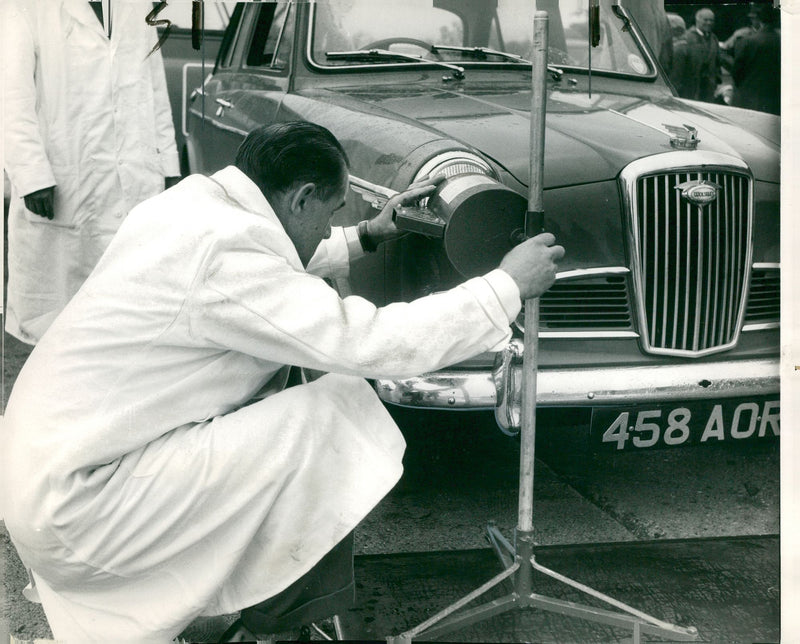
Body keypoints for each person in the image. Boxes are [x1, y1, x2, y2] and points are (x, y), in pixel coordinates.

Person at [0, 121, 565, 642]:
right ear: (299, 198)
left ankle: (269, 610)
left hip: (45, 485)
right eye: (328, 212)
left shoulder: (191, 207)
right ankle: (277, 628)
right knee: (332, 414)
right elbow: (369, 342)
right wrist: (505, 287)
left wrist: (367, 233)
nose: (328, 226)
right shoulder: (226, 254)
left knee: (294, 396)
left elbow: (270, 262)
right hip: (84, 512)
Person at [1, 0, 180, 345]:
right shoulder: (25, 7)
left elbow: (154, 89)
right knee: (59, 327)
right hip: (67, 180)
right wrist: (32, 175)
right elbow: (11, 98)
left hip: (134, 180)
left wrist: (168, 167)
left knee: (129, 322)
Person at [731, 5, 781, 115]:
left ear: (759, 19)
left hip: (750, 95)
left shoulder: (749, 41)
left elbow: (737, 70)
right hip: (774, 97)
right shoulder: (781, 40)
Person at [669, 7, 721, 102]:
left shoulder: (714, 39)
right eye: (705, 20)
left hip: (708, 91)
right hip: (690, 89)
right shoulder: (687, 38)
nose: (709, 23)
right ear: (697, 19)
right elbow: (678, 68)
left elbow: (717, 63)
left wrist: (716, 82)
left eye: (711, 20)